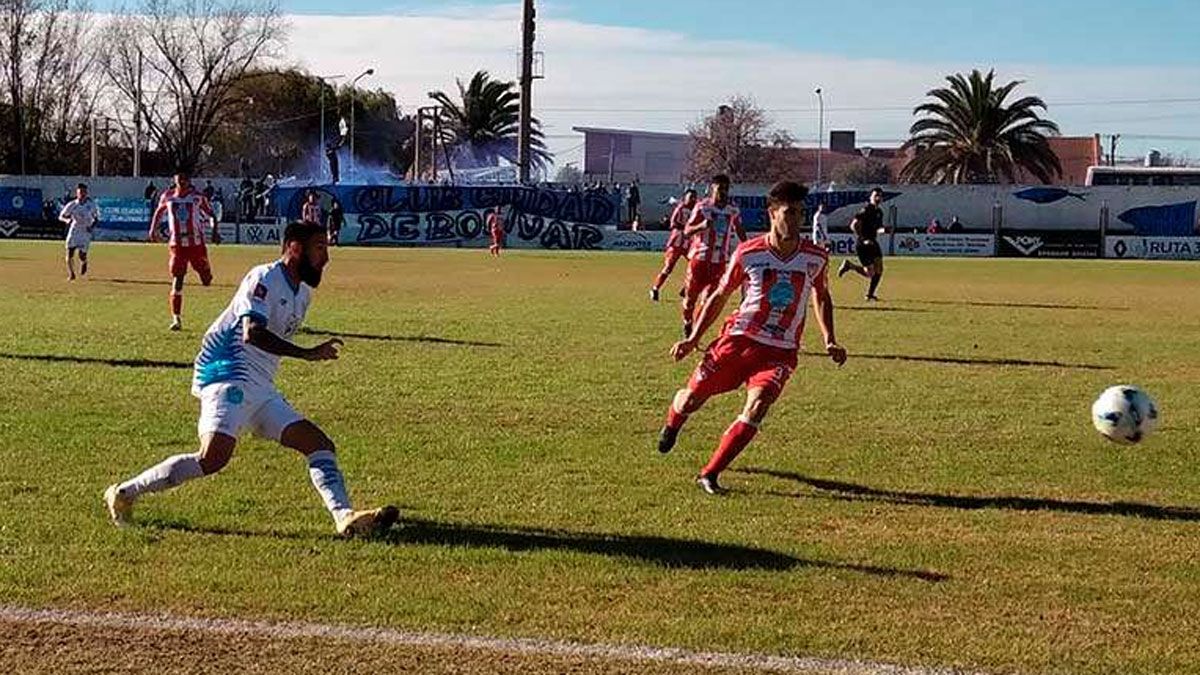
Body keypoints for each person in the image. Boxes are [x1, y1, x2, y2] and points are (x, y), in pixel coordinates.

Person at [104, 221, 398, 538]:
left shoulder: (303, 295)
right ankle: (123, 493)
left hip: (260, 387)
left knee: (319, 444)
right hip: (227, 374)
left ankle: (345, 518)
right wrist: (307, 353)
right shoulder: (264, 278)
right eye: (320, 248)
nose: (325, 258)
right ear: (295, 249)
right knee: (212, 458)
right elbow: (252, 334)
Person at [658, 181, 846, 494]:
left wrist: (829, 338)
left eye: (800, 213)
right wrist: (693, 338)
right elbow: (720, 296)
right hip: (738, 340)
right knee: (691, 399)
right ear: (773, 214)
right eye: (789, 212)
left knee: (758, 405)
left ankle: (710, 473)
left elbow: (822, 296)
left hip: (781, 349)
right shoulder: (749, 253)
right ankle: (673, 423)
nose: (796, 220)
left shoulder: (816, 256)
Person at [150, 171, 220, 331]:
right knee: (178, 278)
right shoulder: (167, 196)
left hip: (196, 245)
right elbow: (159, 212)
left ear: (189, 181)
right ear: (175, 180)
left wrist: (215, 231)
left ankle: (206, 271)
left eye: (185, 178)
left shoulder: (197, 197)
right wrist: (153, 230)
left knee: (206, 279)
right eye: (179, 178)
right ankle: (176, 319)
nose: (182, 181)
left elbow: (211, 215)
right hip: (177, 245)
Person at [681, 174, 745, 337]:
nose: (723, 192)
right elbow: (687, 231)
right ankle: (687, 322)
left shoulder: (733, 210)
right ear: (712, 189)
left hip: (720, 262)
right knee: (690, 300)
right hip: (699, 261)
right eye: (719, 188)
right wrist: (702, 225)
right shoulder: (702, 207)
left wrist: (747, 245)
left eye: (725, 189)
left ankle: (695, 333)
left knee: (708, 300)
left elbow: (739, 228)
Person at [837, 187, 888, 301]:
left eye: (880, 196)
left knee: (879, 269)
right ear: (871, 197)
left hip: (873, 242)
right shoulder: (866, 210)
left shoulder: (879, 212)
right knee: (870, 273)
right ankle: (849, 265)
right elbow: (853, 225)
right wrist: (863, 238)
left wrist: (883, 230)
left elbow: (878, 229)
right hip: (863, 244)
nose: (878, 198)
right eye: (875, 195)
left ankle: (870, 295)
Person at [650, 188, 697, 302]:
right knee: (668, 268)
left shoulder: (697, 210)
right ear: (685, 198)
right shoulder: (680, 209)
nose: (693, 199)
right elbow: (673, 224)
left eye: (694, 197)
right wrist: (685, 228)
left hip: (688, 243)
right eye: (691, 197)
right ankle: (655, 288)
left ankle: (685, 289)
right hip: (676, 243)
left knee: (696, 266)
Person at [60, 183, 101, 281]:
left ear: (86, 193)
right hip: (74, 230)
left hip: (85, 231)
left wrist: (91, 227)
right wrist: (67, 220)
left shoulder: (91, 205)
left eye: (84, 192)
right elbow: (61, 216)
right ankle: (71, 274)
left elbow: (96, 218)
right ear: (77, 193)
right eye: (80, 192)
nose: (82, 194)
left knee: (81, 255)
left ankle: (84, 262)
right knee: (69, 252)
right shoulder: (72, 204)